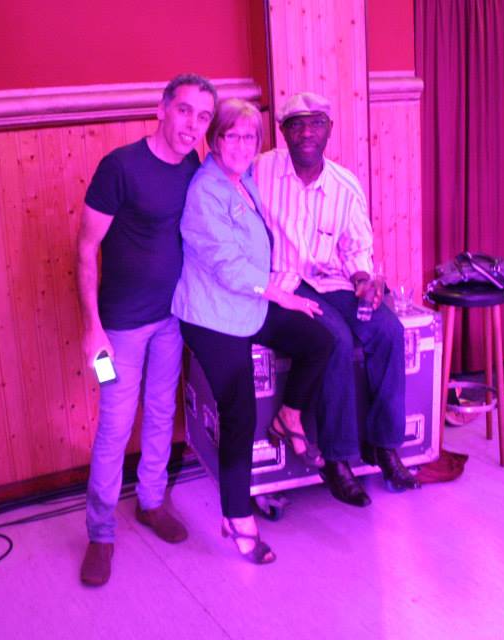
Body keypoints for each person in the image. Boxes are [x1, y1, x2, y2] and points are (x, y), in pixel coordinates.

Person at [173, 98, 333, 564]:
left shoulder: (243, 180)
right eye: (233, 136)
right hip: (212, 315)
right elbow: (226, 265)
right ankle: (237, 515)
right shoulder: (205, 191)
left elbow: (254, 249)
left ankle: (290, 416)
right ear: (215, 140)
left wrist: (280, 284)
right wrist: (279, 294)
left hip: (249, 302)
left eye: (250, 137)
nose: (243, 145)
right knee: (239, 412)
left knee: (318, 340)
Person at [76, 73, 218, 586]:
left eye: (203, 117)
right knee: (114, 426)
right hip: (116, 330)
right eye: (184, 110)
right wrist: (92, 329)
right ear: (161, 109)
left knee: (161, 412)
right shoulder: (119, 167)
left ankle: (151, 501)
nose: (193, 125)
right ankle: (100, 533)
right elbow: (85, 249)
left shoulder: (194, 167)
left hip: (171, 321)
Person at [254, 92, 421, 508]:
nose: (306, 133)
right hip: (284, 283)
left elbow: (356, 249)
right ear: (283, 132)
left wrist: (364, 279)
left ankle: (384, 445)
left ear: (329, 129)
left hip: (333, 281)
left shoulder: (345, 185)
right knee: (336, 340)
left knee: (388, 330)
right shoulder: (260, 171)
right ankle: (337, 457)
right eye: (296, 124)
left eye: (316, 124)